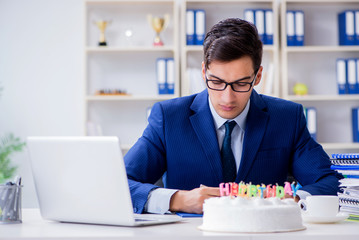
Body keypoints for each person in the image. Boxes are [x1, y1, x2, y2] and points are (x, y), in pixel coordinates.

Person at [124, 18, 342, 214]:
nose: (227, 98)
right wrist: (177, 199)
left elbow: (329, 181)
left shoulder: (287, 118)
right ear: (203, 72)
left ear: (257, 77)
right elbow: (120, 183)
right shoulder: (169, 117)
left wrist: (294, 200)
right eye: (216, 82)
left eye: (240, 83)